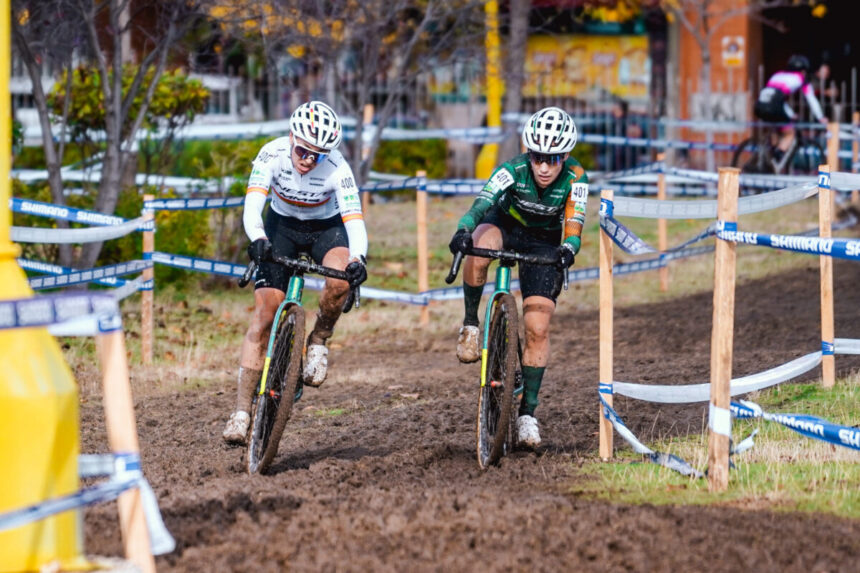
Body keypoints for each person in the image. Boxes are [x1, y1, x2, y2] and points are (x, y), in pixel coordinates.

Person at [223, 100, 368, 445]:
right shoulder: (271, 155)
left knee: (339, 280)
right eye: (303, 150)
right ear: (291, 138)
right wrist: (257, 238)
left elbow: (354, 221)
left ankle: (319, 339)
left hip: (325, 229)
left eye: (317, 155)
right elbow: (252, 205)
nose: (308, 159)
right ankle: (242, 412)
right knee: (264, 315)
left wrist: (358, 258)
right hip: (281, 227)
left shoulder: (338, 168)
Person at [448, 106, 588, 448]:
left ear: (566, 156)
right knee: (479, 246)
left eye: (552, 159)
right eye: (537, 156)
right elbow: (482, 203)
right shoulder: (511, 170)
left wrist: (570, 246)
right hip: (505, 224)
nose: (543, 166)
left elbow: (575, 221)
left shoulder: (576, 177)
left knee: (538, 326)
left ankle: (527, 414)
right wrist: (464, 228)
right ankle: (470, 323)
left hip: (543, 241)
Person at [754, 54, 828, 155]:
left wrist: (791, 113)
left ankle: (770, 160)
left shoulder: (777, 74)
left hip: (759, 105)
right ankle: (777, 157)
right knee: (790, 133)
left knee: (777, 129)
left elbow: (776, 97)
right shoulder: (801, 78)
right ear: (803, 70)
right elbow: (811, 99)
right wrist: (820, 117)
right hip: (774, 106)